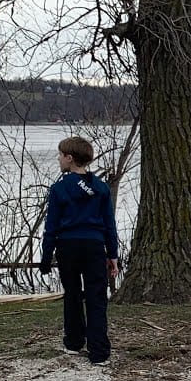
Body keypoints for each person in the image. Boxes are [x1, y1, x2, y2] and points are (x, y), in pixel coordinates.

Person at [38, 136, 121, 365]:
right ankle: (99, 352)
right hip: (94, 246)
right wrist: (112, 255)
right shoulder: (101, 188)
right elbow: (109, 225)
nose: (58, 159)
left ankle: (74, 342)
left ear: (70, 158)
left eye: (60, 155)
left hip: (68, 247)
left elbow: (51, 226)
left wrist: (46, 257)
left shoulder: (59, 189)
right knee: (96, 297)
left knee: (72, 294)